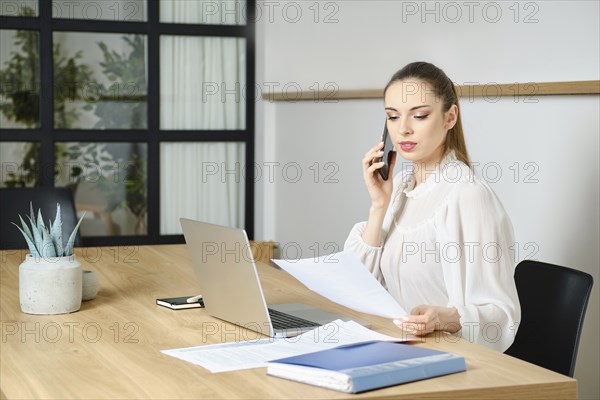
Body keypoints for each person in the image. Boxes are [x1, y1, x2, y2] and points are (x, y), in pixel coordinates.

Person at [344, 61, 520, 352]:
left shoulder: (467, 196)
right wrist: (378, 205)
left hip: (452, 360)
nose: (403, 130)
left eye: (420, 116)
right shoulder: (400, 188)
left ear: (449, 117)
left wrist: (447, 318)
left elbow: (500, 317)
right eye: (392, 117)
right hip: (402, 347)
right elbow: (357, 286)